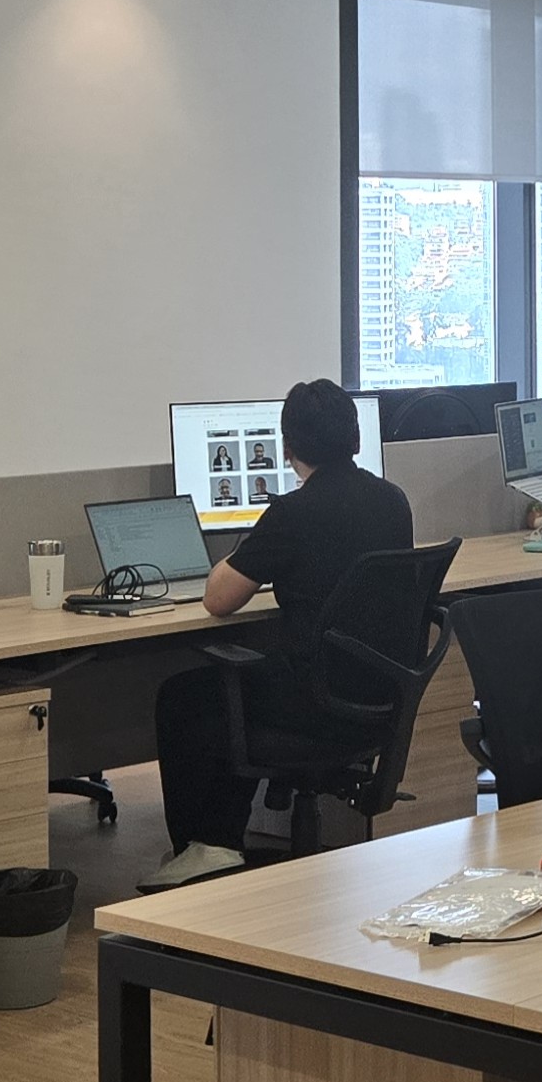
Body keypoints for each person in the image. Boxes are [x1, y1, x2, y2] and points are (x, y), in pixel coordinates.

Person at [143, 380, 413, 891]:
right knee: (235, 688)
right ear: (356, 438)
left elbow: (218, 599)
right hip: (379, 696)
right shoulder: (393, 500)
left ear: (287, 448)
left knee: (186, 697)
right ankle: (218, 840)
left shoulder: (293, 513)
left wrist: (258, 541)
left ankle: (208, 846)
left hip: (317, 704)